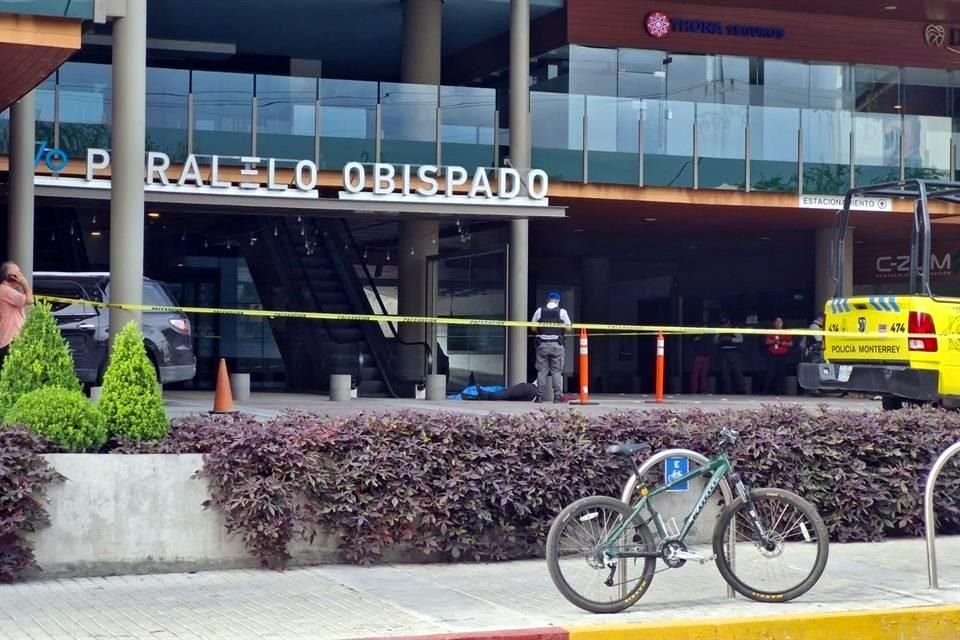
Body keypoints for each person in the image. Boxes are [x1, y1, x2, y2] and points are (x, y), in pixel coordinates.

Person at [531, 292, 572, 403]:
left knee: (542, 371)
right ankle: (557, 397)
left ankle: (539, 396)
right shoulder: (562, 312)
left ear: (548, 300)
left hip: (542, 345)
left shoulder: (539, 311)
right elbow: (569, 328)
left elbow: (533, 328)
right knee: (556, 371)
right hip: (557, 345)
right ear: (558, 301)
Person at [0, 262, 34, 366]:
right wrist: (24, 283)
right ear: (12, 277)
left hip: (8, 338)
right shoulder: (6, 291)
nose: (21, 275)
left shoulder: (5, 290)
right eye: (18, 273)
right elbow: (30, 300)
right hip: (10, 339)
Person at [714, 316, 745, 395]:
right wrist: (721, 339)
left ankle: (741, 390)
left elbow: (740, 339)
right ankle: (727, 391)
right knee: (725, 372)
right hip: (723, 351)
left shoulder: (734, 329)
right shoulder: (720, 330)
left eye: (726, 323)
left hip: (734, 351)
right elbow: (715, 340)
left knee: (737, 371)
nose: (724, 325)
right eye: (723, 324)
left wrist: (730, 339)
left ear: (729, 322)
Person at [763, 317, 793, 395]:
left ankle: (780, 392)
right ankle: (766, 391)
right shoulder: (771, 332)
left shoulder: (786, 332)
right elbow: (767, 341)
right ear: (774, 323)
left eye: (780, 322)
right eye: (776, 322)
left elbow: (791, 343)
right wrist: (774, 341)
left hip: (783, 355)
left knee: (781, 373)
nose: (778, 324)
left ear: (783, 323)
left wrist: (783, 343)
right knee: (770, 373)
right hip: (772, 355)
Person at [688, 327, 711, 394]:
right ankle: (694, 390)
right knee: (696, 374)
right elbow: (691, 343)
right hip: (698, 356)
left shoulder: (707, 336)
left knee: (704, 374)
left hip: (705, 356)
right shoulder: (694, 336)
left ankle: (704, 390)